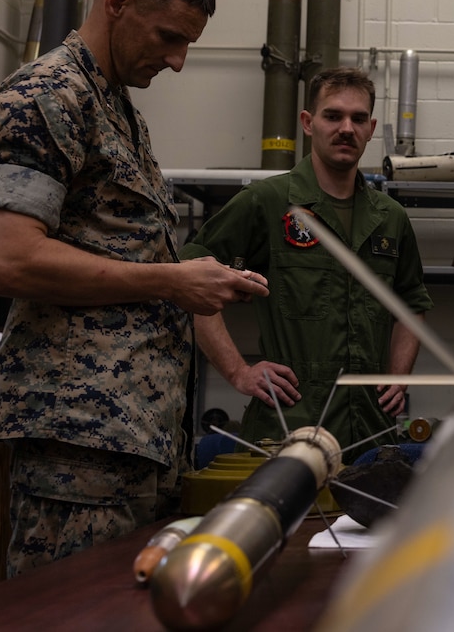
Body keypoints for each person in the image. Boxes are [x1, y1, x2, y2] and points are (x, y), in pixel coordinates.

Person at [0, 0, 270, 577]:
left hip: (136, 436)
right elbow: (4, 262)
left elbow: (121, 248)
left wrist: (200, 279)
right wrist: (172, 281)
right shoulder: (45, 98)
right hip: (77, 438)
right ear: (118, 2)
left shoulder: (116, 110)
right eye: (168, 37)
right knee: (66, 618)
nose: (180, 60)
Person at [180, 67, 433, 464]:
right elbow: (187, 277)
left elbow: (411, 301)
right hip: (289, 425)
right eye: (333, 116)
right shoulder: (268, 201)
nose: (346, 128)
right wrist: (238, 372)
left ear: (371, 128)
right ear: (308, 123)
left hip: (369, 427)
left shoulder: (391, 218)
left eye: (358, 118)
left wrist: (397, 375)